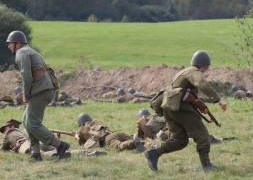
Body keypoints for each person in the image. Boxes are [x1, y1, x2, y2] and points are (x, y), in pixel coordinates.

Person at [144, 50, 227, 171]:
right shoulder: (193, 72)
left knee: (180, 140)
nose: (208, 68)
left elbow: (186, 93)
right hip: (181, 108)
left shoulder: (183, 72)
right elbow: (202, 84)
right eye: (207, 66)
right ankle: (207, 165)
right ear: (204, 64)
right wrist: (219, 100)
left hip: (169, 108)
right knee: (202, 135)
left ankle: (154, 154)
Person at [6, 30, 70, 161]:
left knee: (33, 123)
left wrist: (25, 94)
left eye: (10, 43)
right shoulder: (30, 50)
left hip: (39, 91)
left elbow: (26, 76)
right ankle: (35, 152)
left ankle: (60, 145)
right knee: (26, 120)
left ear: (17, 43)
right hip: (45, 89)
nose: (8, 46)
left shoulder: (21, 53)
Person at [0, 119, 106, 158]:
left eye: (4, 129)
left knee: (53, 156)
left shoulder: (8, 133)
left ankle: (89, 154)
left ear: (8, 127)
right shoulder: (22, 131)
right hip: (35, 142)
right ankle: (86, 152)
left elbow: (3, 150)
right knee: (59, 149)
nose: (5, 130)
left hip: (26, 146)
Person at [76, 113, 145, 152]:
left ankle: (133, 142)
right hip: (115, 133)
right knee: (131, 138)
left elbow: (81, 143)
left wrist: (76, 137)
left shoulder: (83, 128)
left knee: (120, 146)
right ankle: (140, 140)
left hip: (108, 139)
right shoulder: (97, 122)